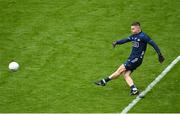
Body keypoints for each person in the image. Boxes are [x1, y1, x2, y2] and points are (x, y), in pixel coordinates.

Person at [95, 21, 165, 95]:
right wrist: (117, 42)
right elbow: (125, 40)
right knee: (125, 74)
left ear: (138, 28)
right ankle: (134, 89)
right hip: (133, 59)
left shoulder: (143, 36)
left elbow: (153, 44)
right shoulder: (133, 36)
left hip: (135, 59)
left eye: (133, 29)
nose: (131, 30)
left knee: (120, 70)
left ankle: (103, 81)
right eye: (131, 29)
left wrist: (159, 54)